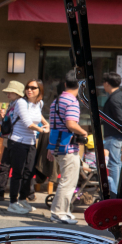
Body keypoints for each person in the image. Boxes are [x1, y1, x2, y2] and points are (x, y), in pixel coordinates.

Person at [48, 71, 87, 224]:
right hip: (68, 147)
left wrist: (50, 148)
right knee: (68, 181)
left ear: (65, 84)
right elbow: (71, 124)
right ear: (80, 86)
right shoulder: (72, 102)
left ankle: (64, 211)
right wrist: (84, 132)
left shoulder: (56, 101)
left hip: (57, 145)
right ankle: (59, 213)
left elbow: (54, 125)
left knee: (66, 180)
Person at [5, 79, 49, 214]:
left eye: (33, 88)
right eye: (28, 87)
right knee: (17, 173)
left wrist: (46, 123)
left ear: (39, 91)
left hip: (30, 142)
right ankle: (13, 202)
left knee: (29, 172)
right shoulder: (21, 102)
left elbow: (38, 116)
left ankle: (23, 199)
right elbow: (28, 123)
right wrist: (43, 130)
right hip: (17, 141)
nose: (29, 90)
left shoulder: (39, 103)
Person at [0, 81, 25, 201]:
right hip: (10, 138)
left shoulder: (20, 105)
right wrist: (2, 117)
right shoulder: (12, 104)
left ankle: (23, 193)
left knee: (14, 166)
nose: (8, 94)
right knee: (6, 165)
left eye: (10, 92)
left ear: (17, 93)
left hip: (18, 139)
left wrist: (4, 118)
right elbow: (7, 124)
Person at [101, 71, 122, 195]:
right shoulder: (121, 95)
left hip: (114, 136)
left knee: (113, 164)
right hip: (117, 136)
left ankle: (114, 192)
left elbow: (121, 119)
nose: (103, 85)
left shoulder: (114, 99)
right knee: (116, 162)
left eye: (104, 82)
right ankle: (116, 191)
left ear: (107, 83)